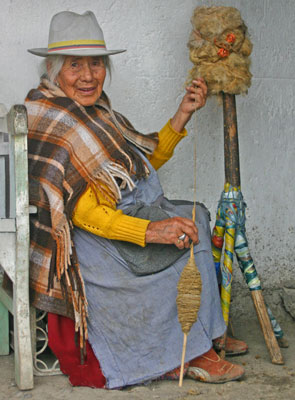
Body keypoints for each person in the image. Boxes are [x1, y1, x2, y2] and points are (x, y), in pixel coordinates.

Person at [26, 10, 247, 389]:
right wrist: (152, 231)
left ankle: (206, 330)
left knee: (197, 216)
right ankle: (190, 354)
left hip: (117, 218)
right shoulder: (54, 118)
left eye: (96, 64)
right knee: (181, 246)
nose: (88, 76)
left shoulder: (98, 112)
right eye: (75, 65)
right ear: (54, 70)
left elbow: (139, 166)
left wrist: (181, 115)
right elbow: (86, 214)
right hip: (92, 242)